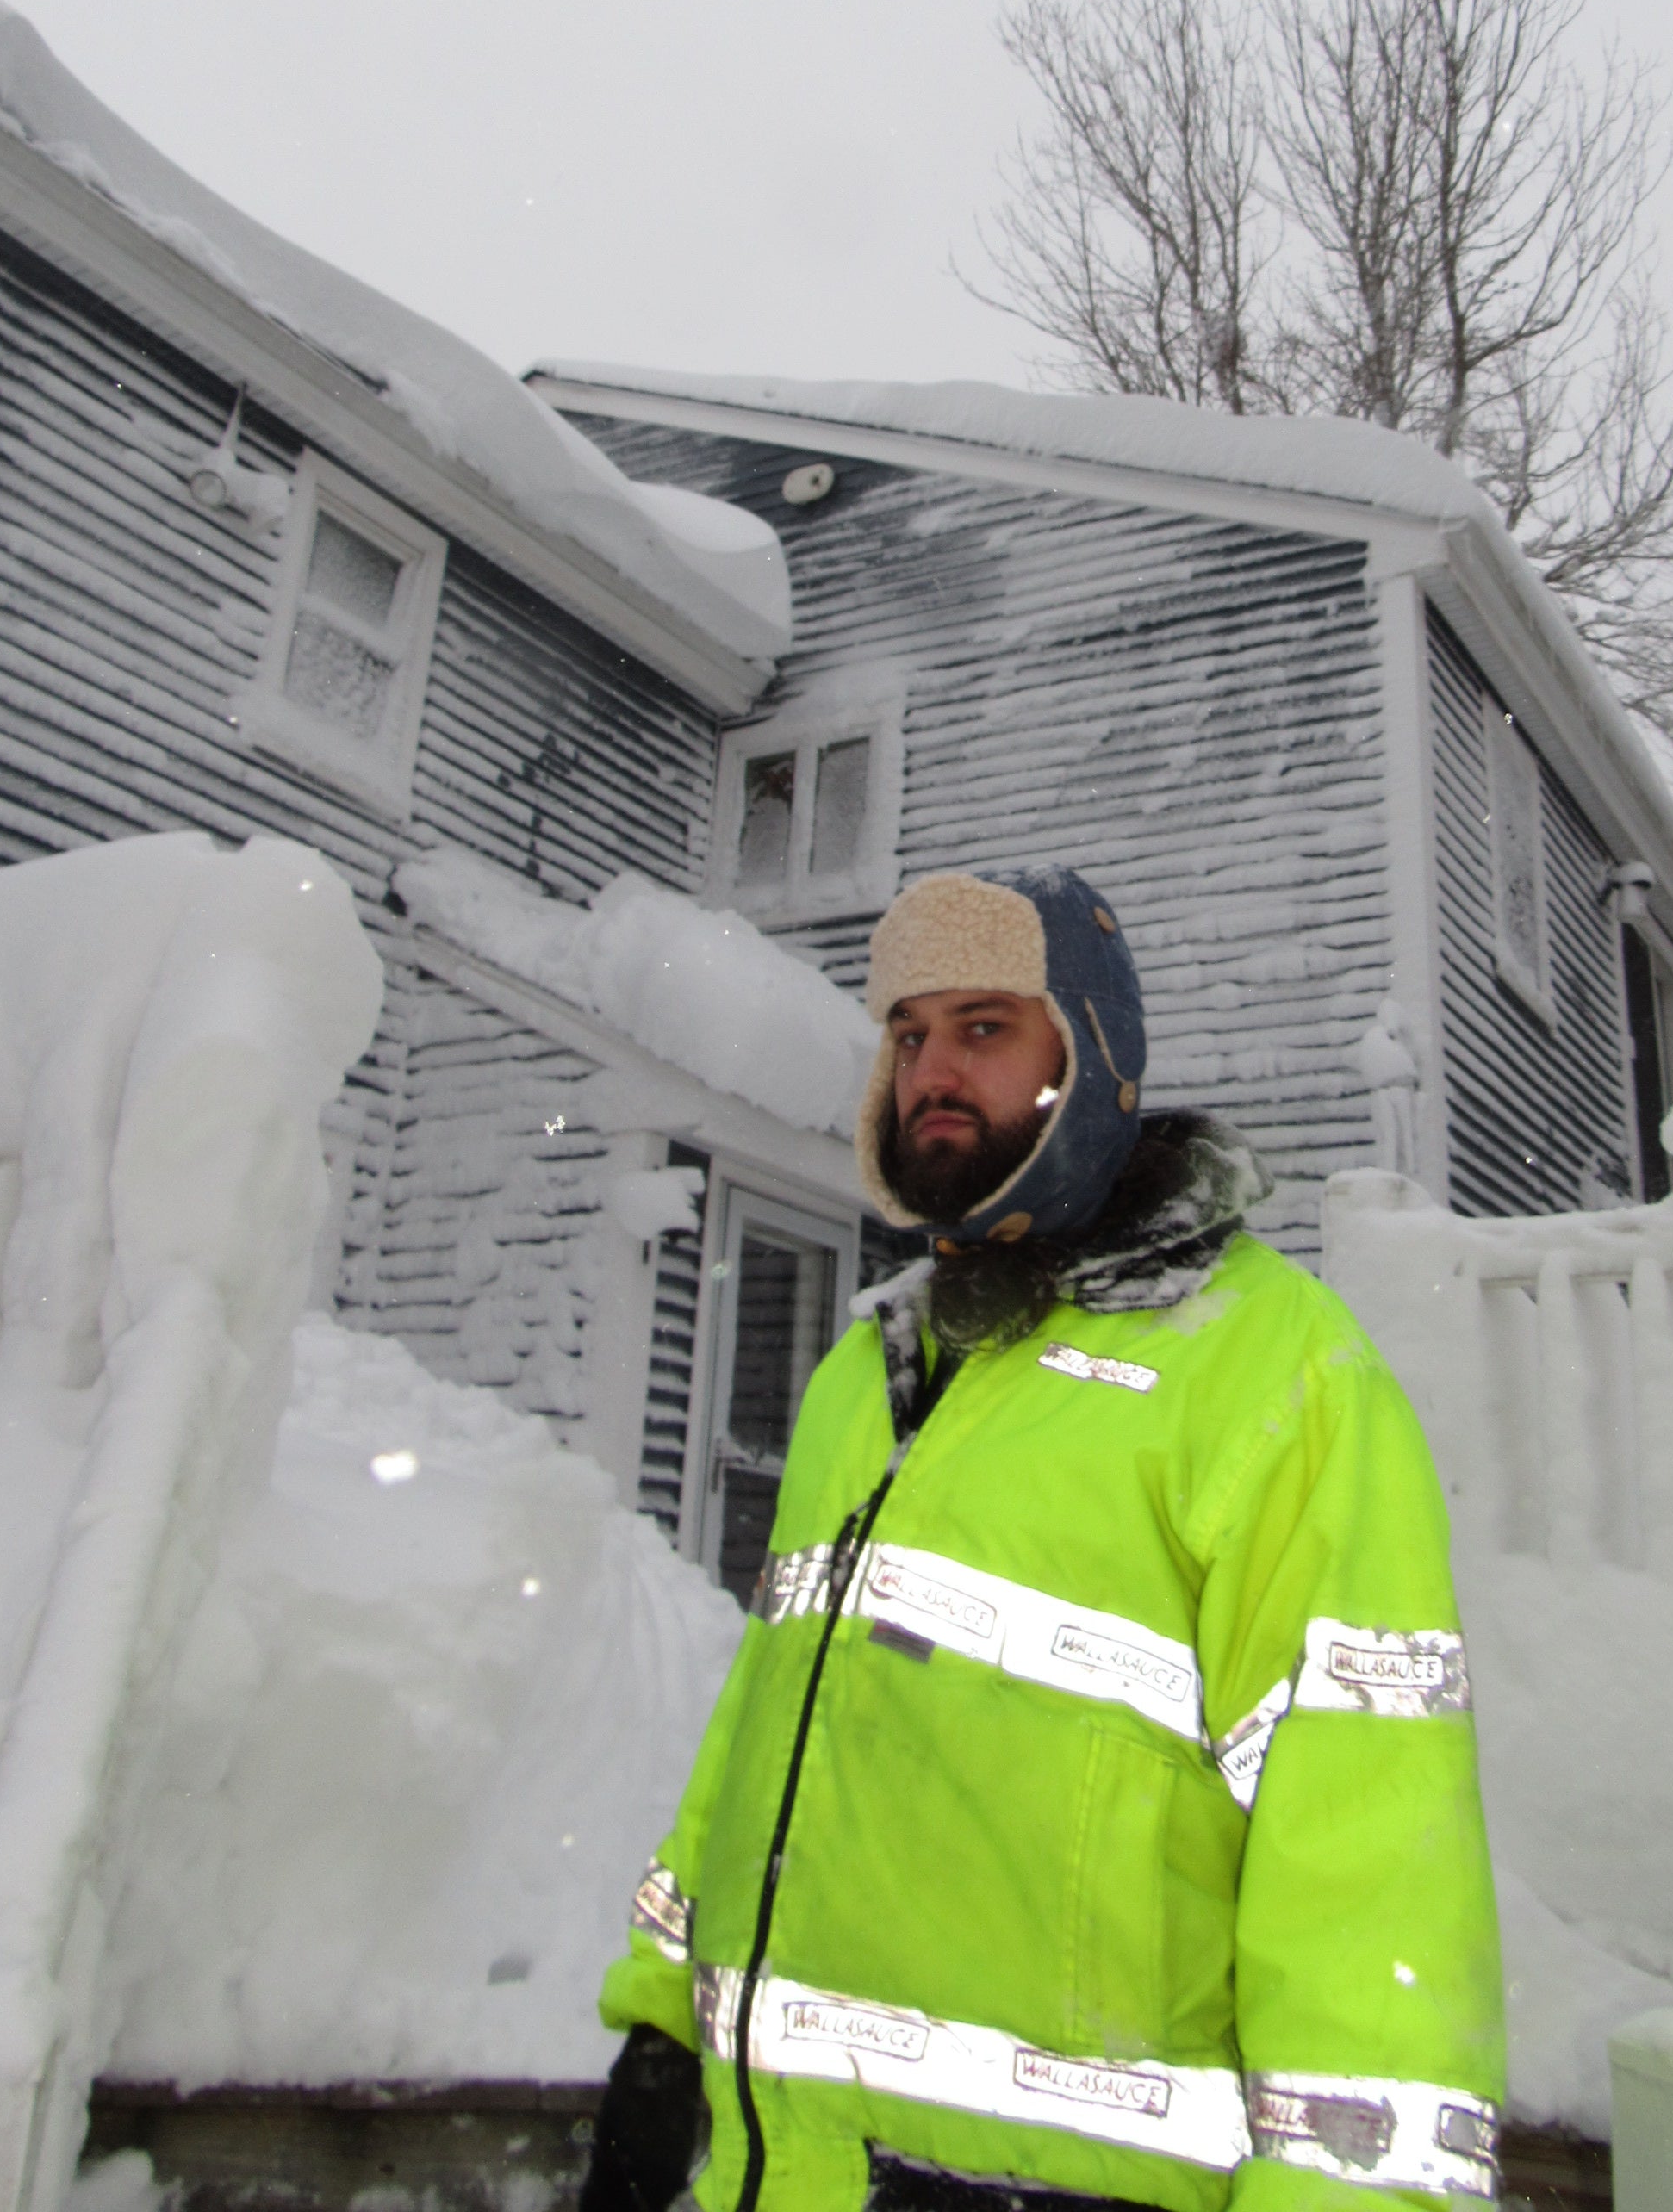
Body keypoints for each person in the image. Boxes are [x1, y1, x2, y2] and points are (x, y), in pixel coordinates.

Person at [588, 865, 1503, 2212]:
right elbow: (764, 1726)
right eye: (908, 1035)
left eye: (984, 1027)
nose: (933, 1072)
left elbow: (1369, 1838)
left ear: (1091, 1057)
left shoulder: (1268, 1374)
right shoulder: (872, 1367)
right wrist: (666, 2027)